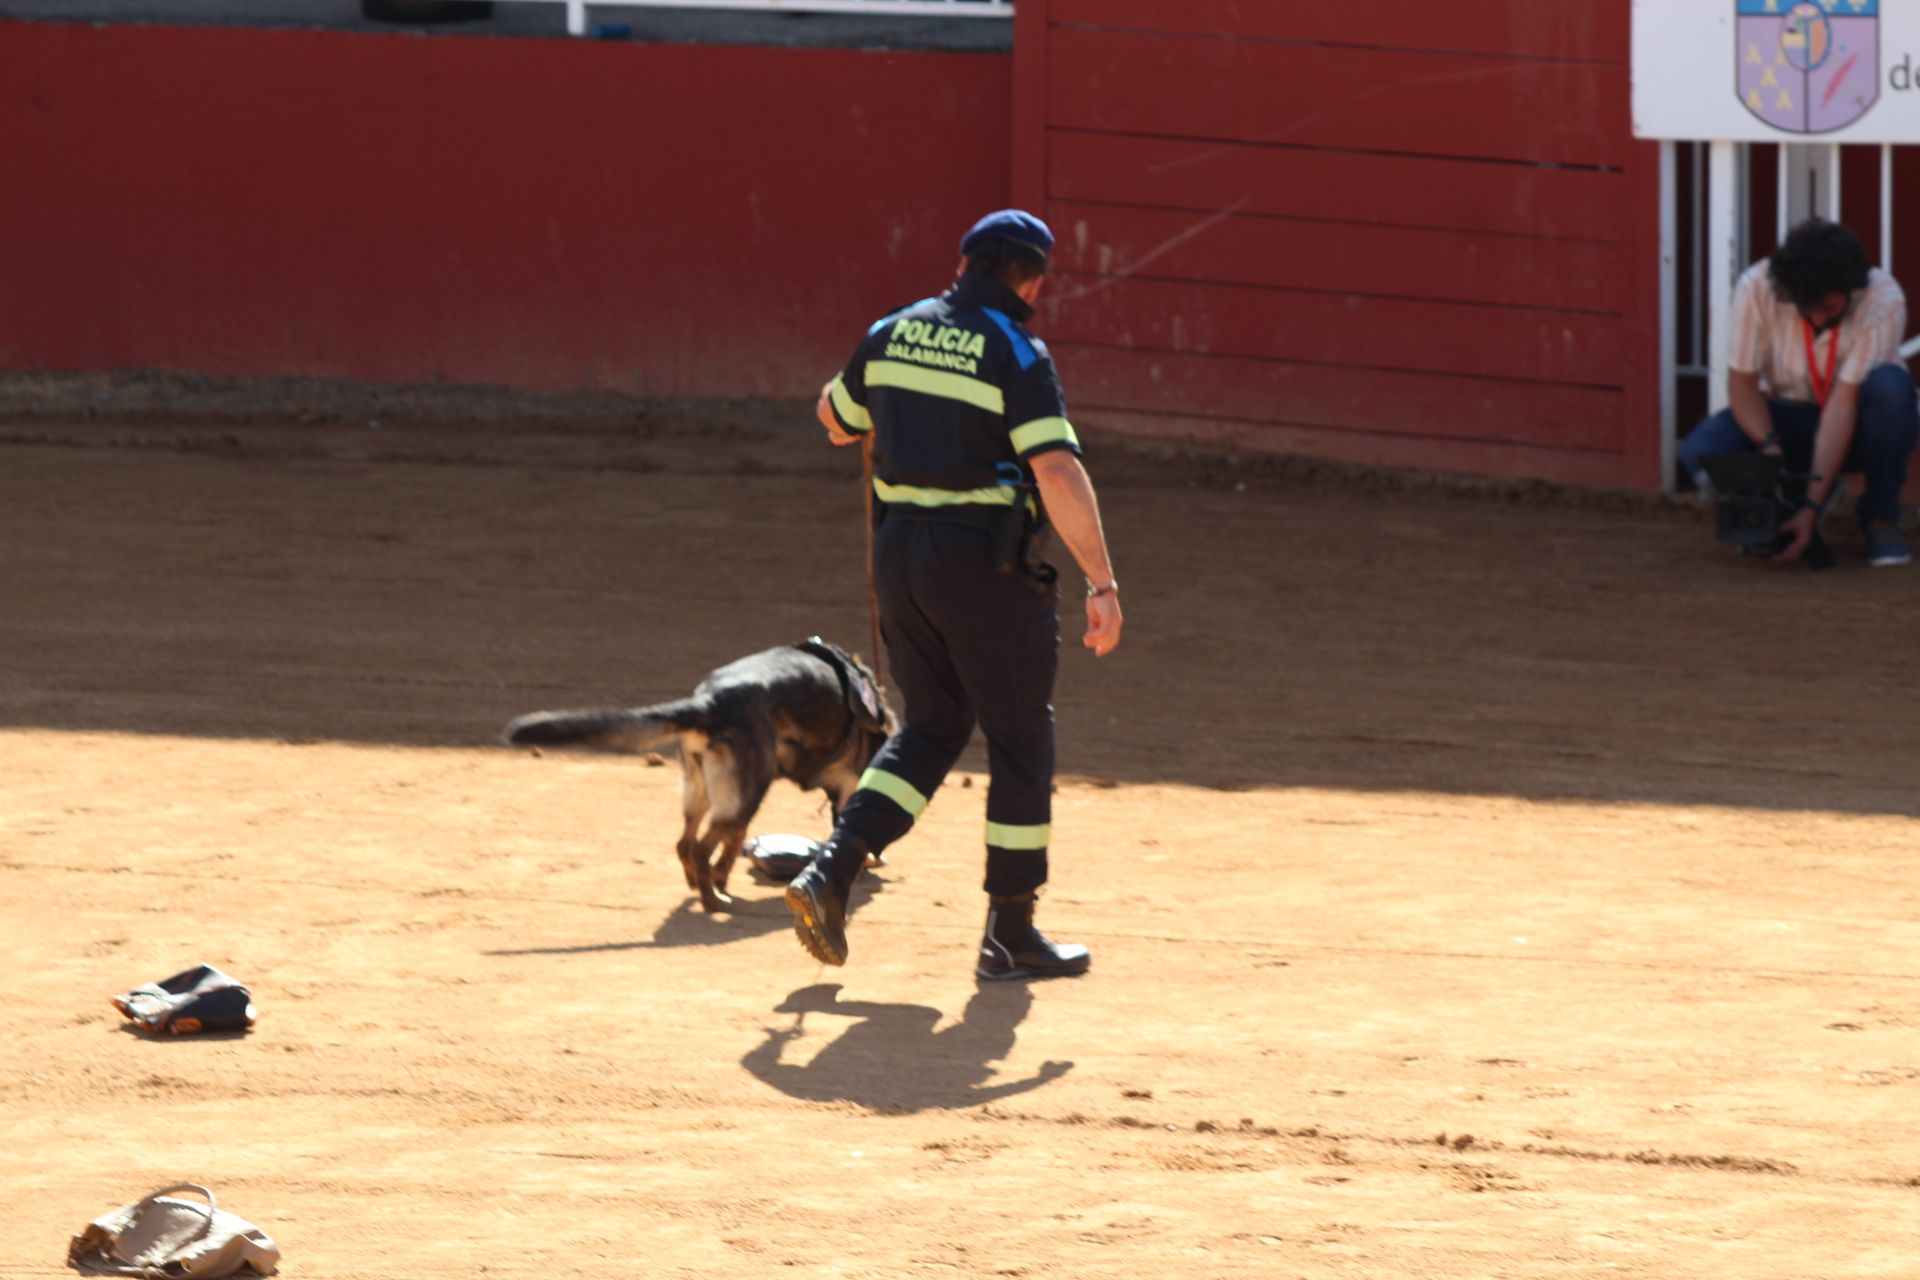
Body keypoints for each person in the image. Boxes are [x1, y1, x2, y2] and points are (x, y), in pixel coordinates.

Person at [785, 208, 1123, 981]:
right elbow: (1057, 470)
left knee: (934, 727)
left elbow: (834, 419)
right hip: (984, 568)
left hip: (900, 562)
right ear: (1031, 280)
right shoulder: (1015, 347)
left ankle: (831, 870)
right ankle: (1010, 934)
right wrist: (1102, 582)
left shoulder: (892, 329)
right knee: (1020, 740)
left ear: (964, 259)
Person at [1679, 217, 1919, 567]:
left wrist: (1812, 507)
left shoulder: (1884, 300)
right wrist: (1769, 447)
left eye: (1831, 310)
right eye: (1809, 310)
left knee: (1891, 390)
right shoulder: (1756, 286)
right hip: (1785, 412)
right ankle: (1774, 514)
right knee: (1701, 452)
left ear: (1852, 289)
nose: (1820, 321)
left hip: (1856, 422)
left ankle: (1879, 517)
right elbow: (1742, 384)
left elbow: (1842, 404)